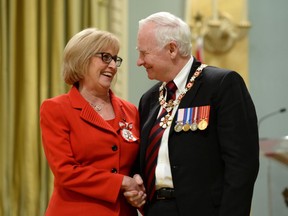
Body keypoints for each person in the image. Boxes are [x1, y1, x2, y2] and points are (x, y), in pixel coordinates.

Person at [133, 12, 259, 216]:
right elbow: (143, 160)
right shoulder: (149, 99)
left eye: (144, 53)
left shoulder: (221, 85)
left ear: (172, 49)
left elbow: (242, 165)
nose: (139, 61)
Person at [40, 28, 146, 216]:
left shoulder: (130, 111)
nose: (113, 65)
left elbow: (137, 165)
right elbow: (66, 171)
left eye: (115, 59)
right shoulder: (56, 109)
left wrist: (137, 185)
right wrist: (121, 182)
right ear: (81, 59)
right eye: (105, 57)